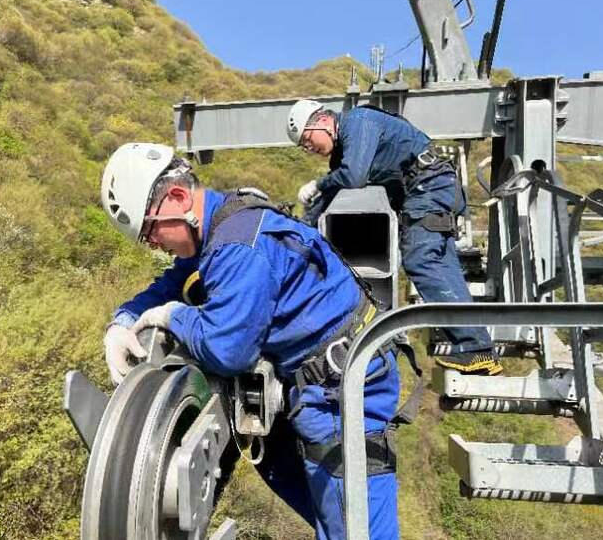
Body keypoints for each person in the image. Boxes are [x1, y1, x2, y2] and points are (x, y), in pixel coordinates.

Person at [101, 142, 401, 540]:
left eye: (150, 231)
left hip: (339, 393)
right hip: (321, 381)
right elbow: (175, 281)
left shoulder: (238, 248)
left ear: (176, 198)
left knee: (357, 531)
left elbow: (229, 350)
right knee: (306, 494)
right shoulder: (221, 222)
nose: (154, 244)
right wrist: (122, 322)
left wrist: (174, 316)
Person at [286, 100, 501, 376]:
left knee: (421, 259)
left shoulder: (358, 122)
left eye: (306, 139)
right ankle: (478, 349)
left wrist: (318, 183)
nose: (309, 148)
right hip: (429, 190)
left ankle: (475, 347)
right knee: (442, 268)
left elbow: (352, 177)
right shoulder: (342, 153)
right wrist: (301, 228)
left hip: (428, 186)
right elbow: (332, 193)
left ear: (324, 121)